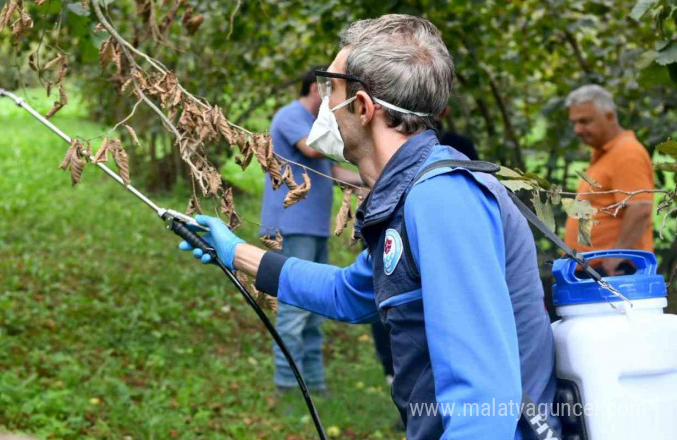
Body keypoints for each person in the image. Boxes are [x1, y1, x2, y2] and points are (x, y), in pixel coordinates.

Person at [180, 15, 558, 439]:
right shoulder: (411, 193)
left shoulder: (441, 198)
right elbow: (348, 293)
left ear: (362, 107)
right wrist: (232, 251)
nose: (324, 107)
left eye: (331, 90)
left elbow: (483, 400)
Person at [260, 67, 363, 394]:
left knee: (314, 309)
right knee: (293, 308)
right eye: (333, 92)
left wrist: (374, 178)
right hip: (293, 226)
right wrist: (359, 138)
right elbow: (311, 149)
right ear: (318, 90)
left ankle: (315, 387)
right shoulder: (291, 117)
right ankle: (288, 389)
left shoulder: (315, 124)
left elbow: (333, 171)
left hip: (315, 229)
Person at [563, 85, 655, 275]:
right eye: (574, 123)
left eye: (585, 121)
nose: (577, 129)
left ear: (610, 116)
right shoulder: (605, 153)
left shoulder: (627, 152)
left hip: (615, 271)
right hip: (596, 269)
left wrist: (615, 258)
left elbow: (640, 208)